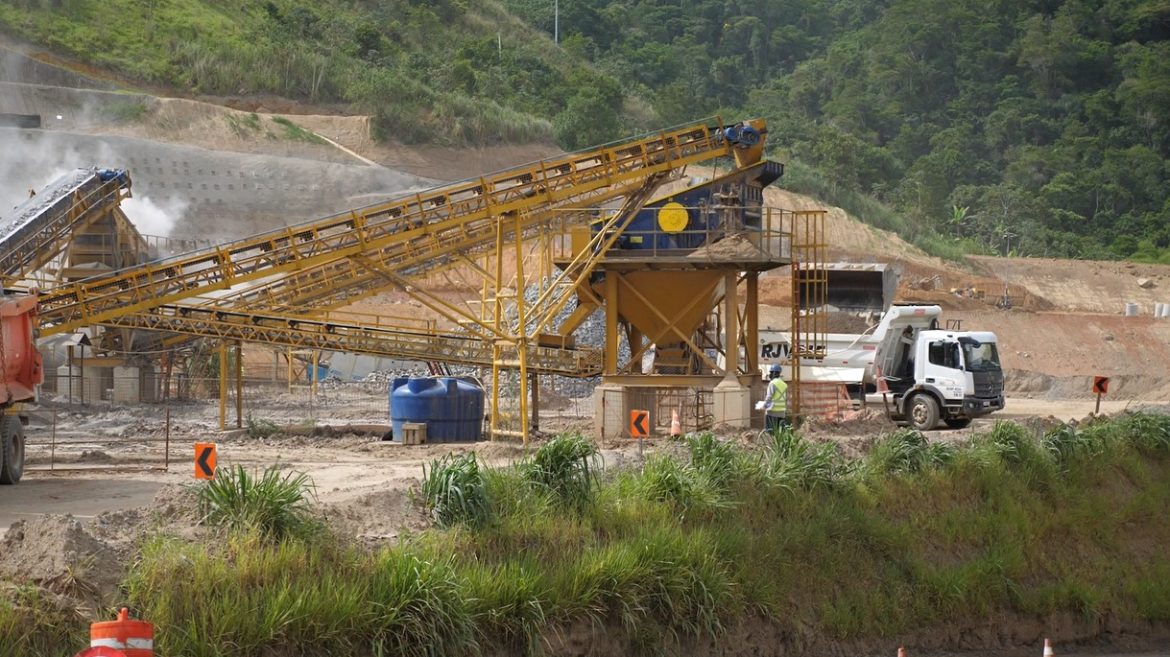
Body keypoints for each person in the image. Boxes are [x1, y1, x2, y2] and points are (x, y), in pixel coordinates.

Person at [764, 364, 789, 432]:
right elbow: (787, 398)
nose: (770, 374)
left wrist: (764, 405)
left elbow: (769, 396)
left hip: (772, 411)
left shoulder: (772, 383)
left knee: (770, 430)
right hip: (782, 412)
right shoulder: (784, 384)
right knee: (780, 431)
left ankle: (771, 442)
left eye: (771, 372)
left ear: (774, 373)